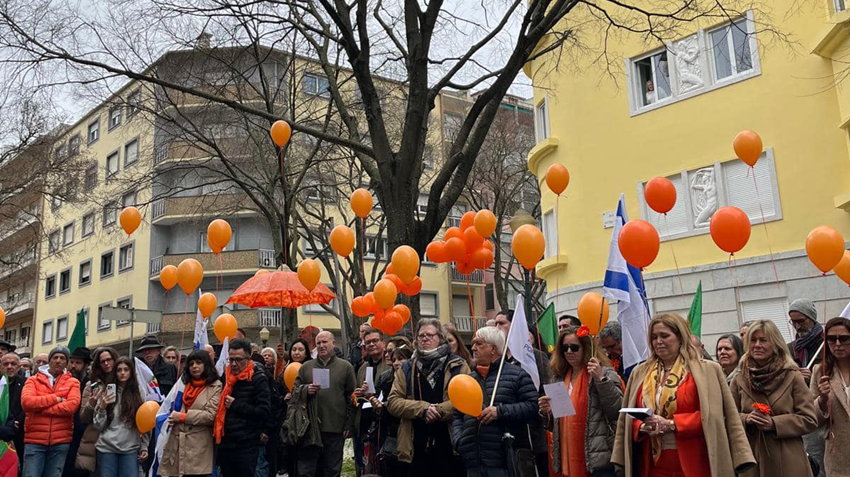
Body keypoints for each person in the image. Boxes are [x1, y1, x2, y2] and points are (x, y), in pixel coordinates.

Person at [613, 314, 755, 477]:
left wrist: (671, 424)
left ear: (680, 337)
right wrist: (643, 426)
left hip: (696, 462)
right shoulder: (639, 372)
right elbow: (627, 418)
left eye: (665, 336)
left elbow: (717, 416)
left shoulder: (708, 370)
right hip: (651, 464)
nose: (658, 341)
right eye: (654, 337)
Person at [730, 319, 817, 477]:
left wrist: (775, 423)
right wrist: (746, 419)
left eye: (763, 340)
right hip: (752, 460)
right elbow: (728, 417)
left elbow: (809, 419)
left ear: (776, 344)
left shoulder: (792, 376)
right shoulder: (739, 379)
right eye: (753, 340)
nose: (757, 345)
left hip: (789, 462)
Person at [388, 318, 470, 477]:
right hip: (415, 446)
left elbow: (466, 400)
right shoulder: (407, 367)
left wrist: (438, 410)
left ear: (440, 337)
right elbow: (393, 402)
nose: (425, 338)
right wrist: (423, 409)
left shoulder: (458, 365)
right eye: (421, 336)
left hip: (450, 443)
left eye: (430, 335)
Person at [452, 326, 538, 477]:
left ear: (493, 348)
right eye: (473, 344)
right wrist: (459, 441)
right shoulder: (469, 379)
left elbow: (532, 407)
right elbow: (457, 414)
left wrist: (500, 412)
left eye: (479, 343)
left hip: (505, 461)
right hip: (474, 462)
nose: (473, 348)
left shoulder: (517, 375)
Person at [539, 326, 622, 477]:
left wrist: (600, 380)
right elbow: (555, 425)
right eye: (565, 348)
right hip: (567, 457)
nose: (569, 352)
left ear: (586, 348)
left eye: (574, 347)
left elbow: (617, 409)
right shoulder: (558, 377)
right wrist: (547, 412)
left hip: (597, 459)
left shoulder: (603, 372)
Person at [494, 309, 550, 477]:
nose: (497, 327)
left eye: (502, 323)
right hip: (507, 434)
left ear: (515, 326)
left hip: (535, 435)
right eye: (495, 323)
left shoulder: (537, 357)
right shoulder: (498, 360)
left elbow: (549, 389)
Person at [291, 331, 356, 477]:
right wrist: (306, 390)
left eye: (325, 342)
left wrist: (348, 424)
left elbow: (352, 398)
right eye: (318, 343)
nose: (321, 345)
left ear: (333, 343)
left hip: (335, 427)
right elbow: (294, 392)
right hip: (309, 429)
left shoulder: (345, 367)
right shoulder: (306, 367)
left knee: (332, 470)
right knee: (306, 471)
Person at [159, 349, 222, 477]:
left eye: (199, 363)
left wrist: (183, 417)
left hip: (198, 447)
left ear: (206, 365)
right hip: (177, 444)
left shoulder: (215, 386)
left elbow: (211, 415)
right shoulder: (183, 385)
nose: (194, 366)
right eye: (191, 363)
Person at [21, 345, 82, 477]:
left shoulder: (73, 382)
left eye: (62, 358)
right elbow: (27, 403)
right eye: (55, 357)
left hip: (60, 441)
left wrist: (40, 408)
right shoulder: (33, 380)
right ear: (50, 360)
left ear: (67, 362)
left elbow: (71, 407)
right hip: (35, 440)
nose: (58, 361)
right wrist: (56, 398)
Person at [215, 338, 270, 477]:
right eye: (231, 359)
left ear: (248, 358)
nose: (233, 364)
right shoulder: (225, 377)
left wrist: (236, 405)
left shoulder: (258, 378)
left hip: (246, 444)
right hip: (226, 442)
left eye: (238, 360)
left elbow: (263, 412)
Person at [91, 357, 150, 477]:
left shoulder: (139, 392)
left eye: (126, 369)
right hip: (107, 447)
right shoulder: (106, 391)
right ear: (115, 372)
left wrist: (144, 446)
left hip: (130, 447)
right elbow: (98, 426)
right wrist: (102, 408)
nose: (122, 373)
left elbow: (145, 421)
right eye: (119, 370)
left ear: (131, 372)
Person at [811, 317, 850, 477]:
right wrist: (822, 399)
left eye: (844, 339)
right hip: (837, 455)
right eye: (832, 339)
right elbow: (812, 419)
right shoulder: (820, 371)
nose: (838, 344)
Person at [372, 346, 413, 477]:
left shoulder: (415, 379)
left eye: (400, 359)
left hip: (411, 434)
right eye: (394, 359)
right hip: (391, 435)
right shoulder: (387, 380)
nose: (396, 363)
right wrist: (379, 408)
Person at [76, 347, 118, 474]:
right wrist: (92, 403)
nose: (106, 363)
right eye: (102, 361)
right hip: (97, 438)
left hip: (119, 438)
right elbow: (83, 417)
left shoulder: (125, 381)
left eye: (109, 360)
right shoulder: (91, 385)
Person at [354, 328, 389, 475]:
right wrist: (358, 393)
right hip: (365, 421)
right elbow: (356, 398)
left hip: (384, 420)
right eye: (368, 342)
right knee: (366, 464)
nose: (372, 344)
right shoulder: (363, 367)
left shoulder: (390, 363)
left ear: (383, 343)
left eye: (375, 341)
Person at [64, 346, 92, 477]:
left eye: (78, 363)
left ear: (86, 365)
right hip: (65, 432)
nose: (74, 366)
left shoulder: (90, 384)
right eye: (72, 362)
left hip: (83, 433)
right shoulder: (64, 381)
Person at [257, 347, 282, 477]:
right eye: (264, 355)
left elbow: (272, 404)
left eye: (269, 355)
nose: (266, 357)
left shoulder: (272, 376)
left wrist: (266, 429)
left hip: (270, 427)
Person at [0, 352, 25, 473]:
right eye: (5, 364)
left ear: (19, 367)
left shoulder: (27, 383)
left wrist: (16, 422)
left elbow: (27, 406)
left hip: (19, 433)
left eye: (13, 364)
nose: (9, 366)